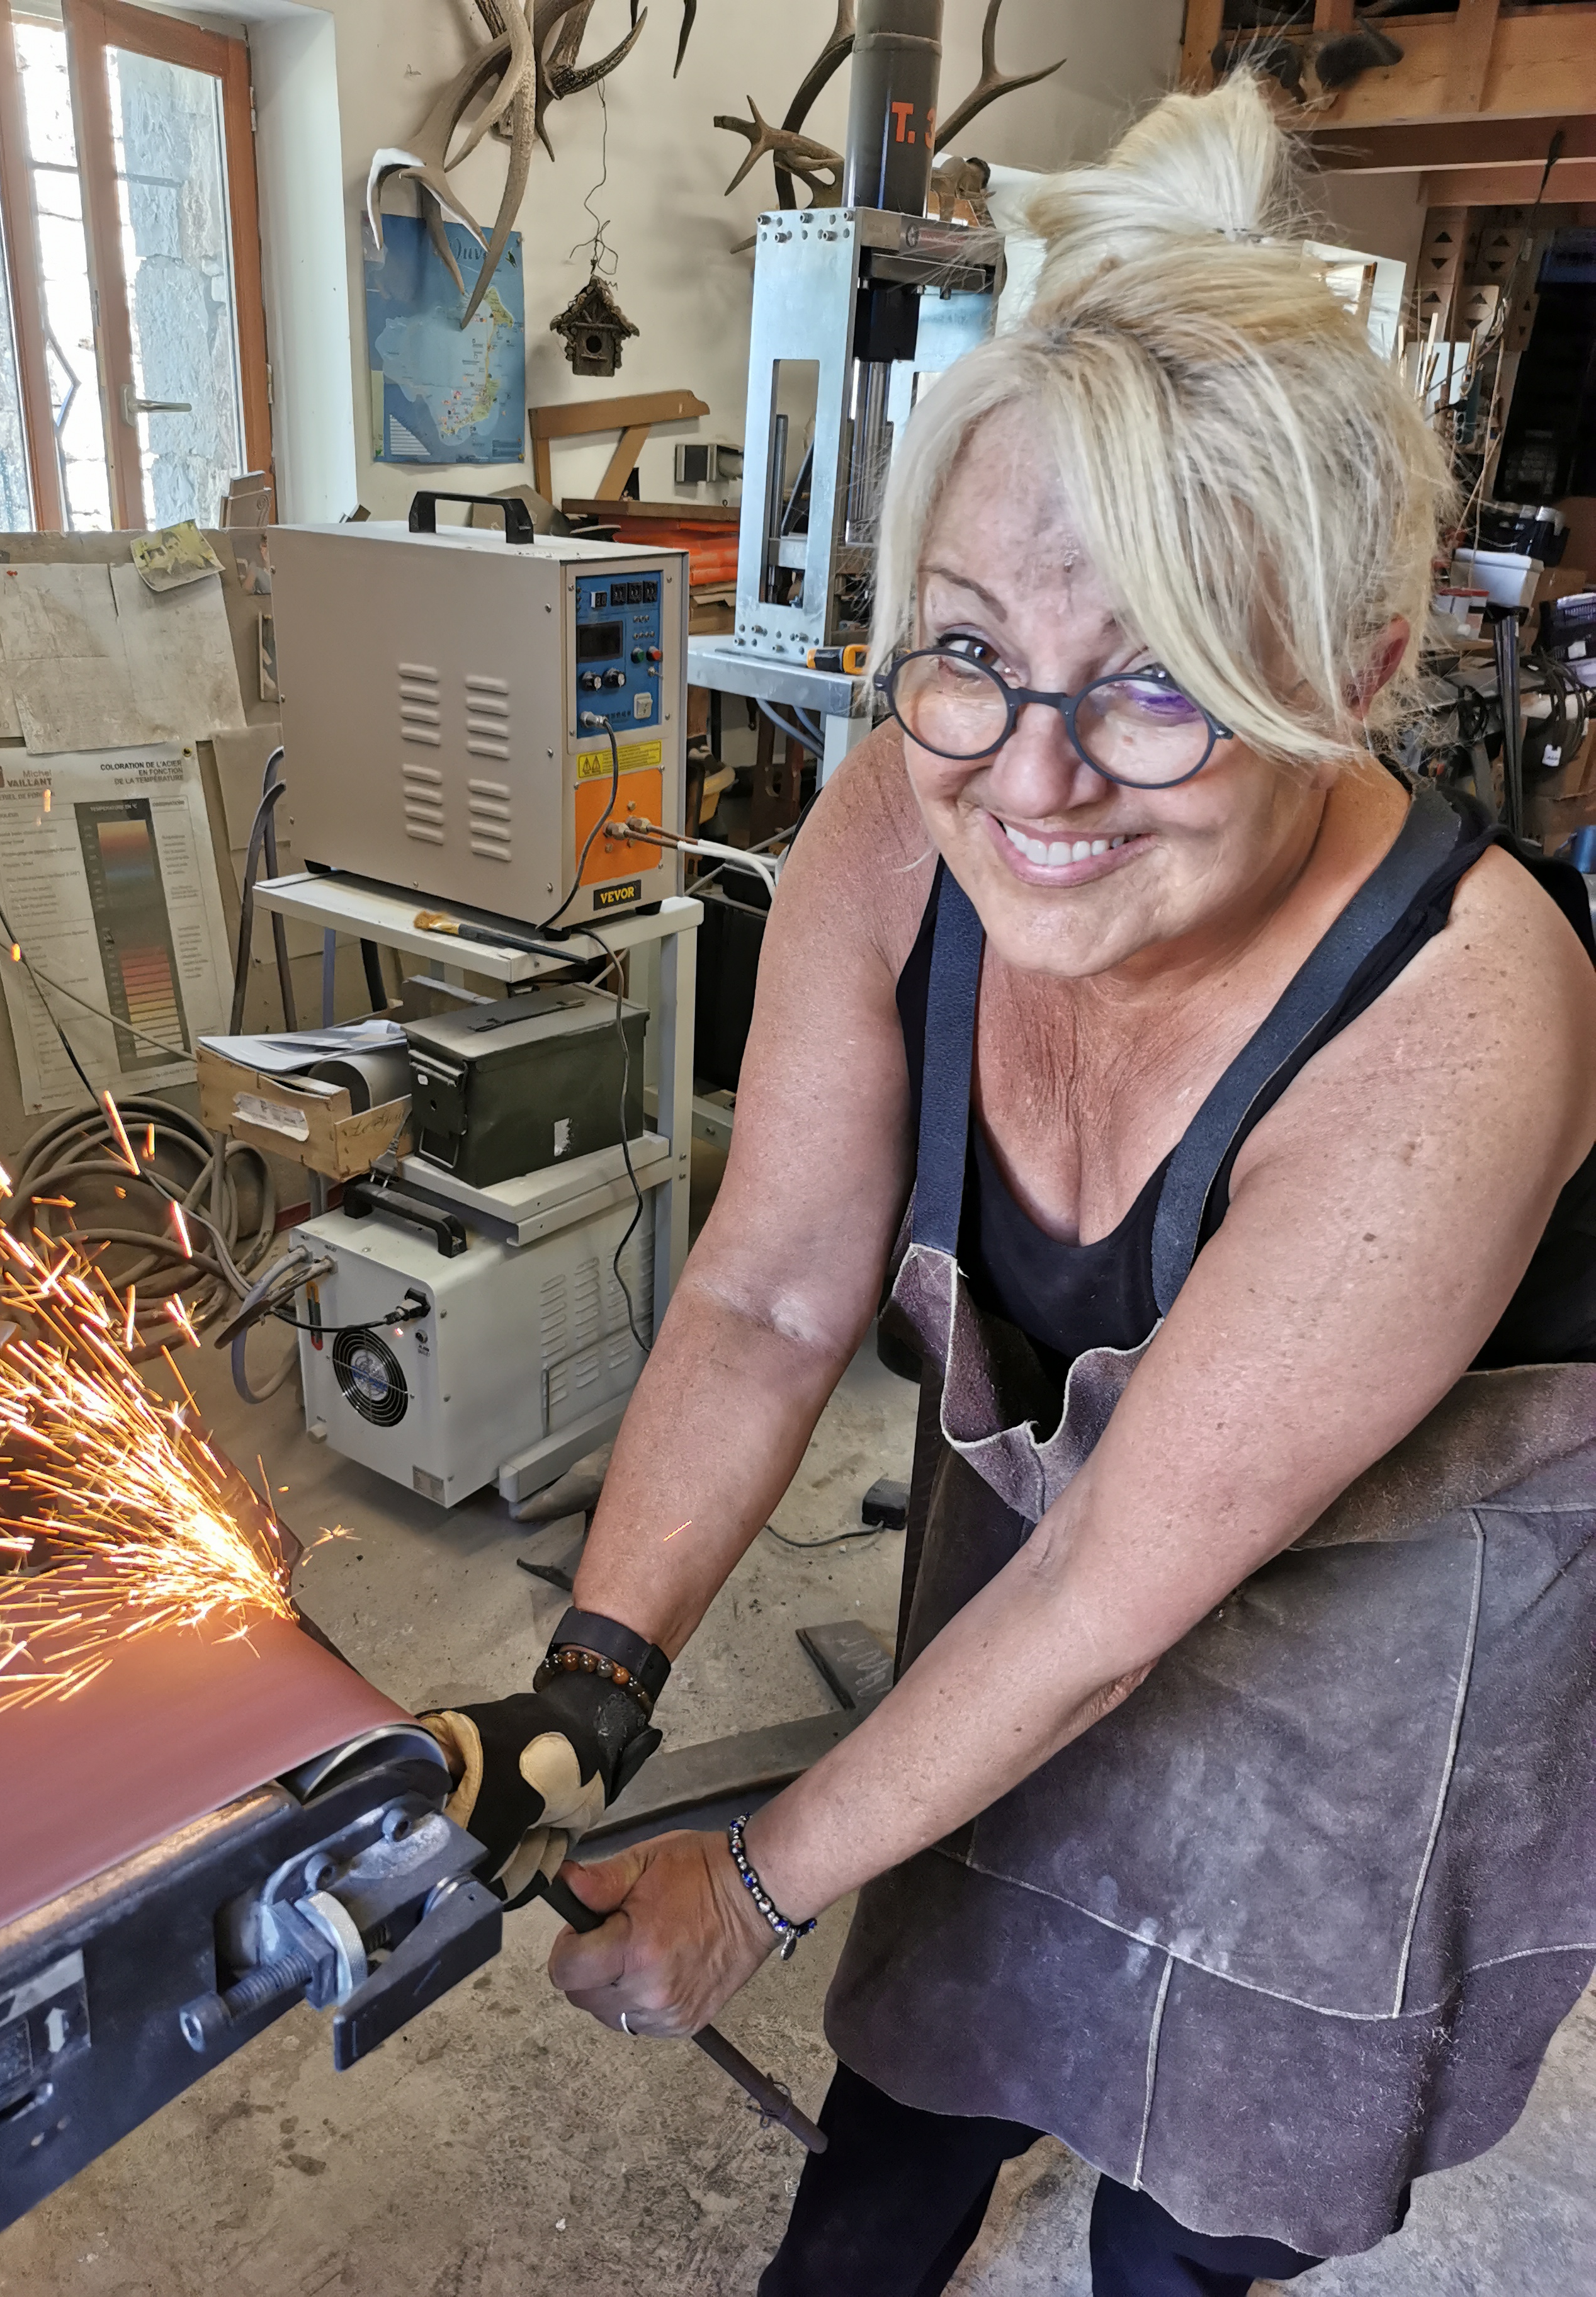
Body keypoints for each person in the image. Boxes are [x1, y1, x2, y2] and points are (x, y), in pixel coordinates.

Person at [422, 74, 1596, 2296]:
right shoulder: (910, 806)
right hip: (1067, 1596)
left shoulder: (1460, 1019)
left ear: (1350, 678)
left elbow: (1100, 1603)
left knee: (1191, 2195)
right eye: (967, 647)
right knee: (926, 2058)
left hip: (1381, 1663)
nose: (1032, 780)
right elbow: (769, 1296)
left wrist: (742, 1893)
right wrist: (584, 1694)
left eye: (1156, 686)